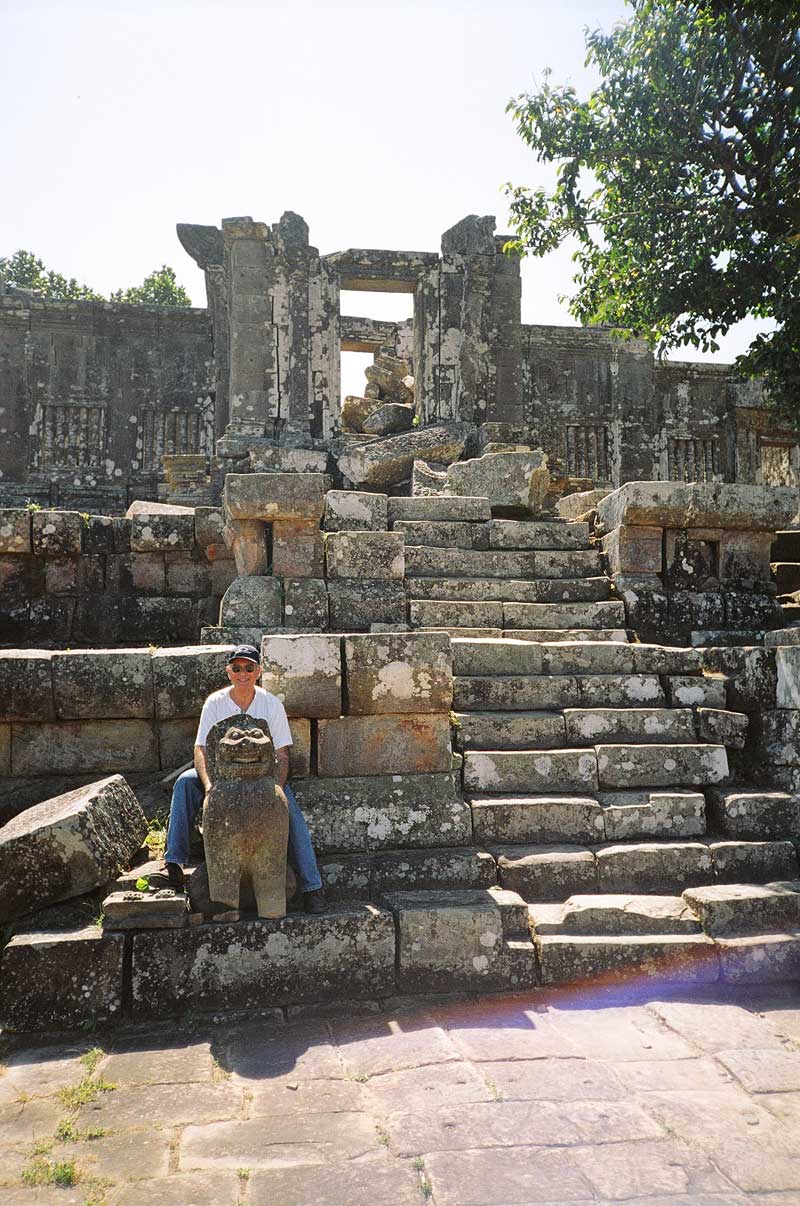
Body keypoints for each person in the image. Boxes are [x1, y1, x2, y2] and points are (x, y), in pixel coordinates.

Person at [159, 644, 327, 914]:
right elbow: (201, 748)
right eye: (237, 668)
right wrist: (209, 785)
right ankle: (174, 862)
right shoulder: (215, 703)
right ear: (229, 672)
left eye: (249, 668)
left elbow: (282, 754)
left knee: (289, 811)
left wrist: (276, 788)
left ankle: (312, 885)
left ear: (258, 671)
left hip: (263, 775)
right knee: (183, 784)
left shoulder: (270, 704)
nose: (243, 673)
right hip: (219, 774)